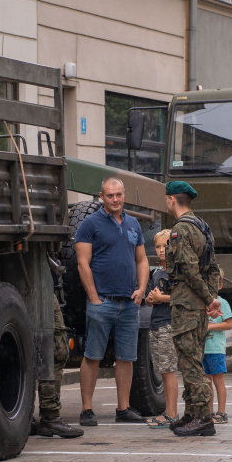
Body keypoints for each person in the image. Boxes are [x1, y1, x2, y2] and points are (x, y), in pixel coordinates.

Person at [74, 177, 149, 426]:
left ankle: (123, 408)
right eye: (109, 195)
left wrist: (141, 290)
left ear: (124, 195)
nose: (115, 199)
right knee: (92, 356)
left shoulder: (133, 224)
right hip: (102, 301)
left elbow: (142, 260)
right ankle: (87, 410)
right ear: (101, 196)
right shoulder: (89, 224)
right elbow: (82, 263)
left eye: (118, 195)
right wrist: (94, 298)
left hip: (129, 303)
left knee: (126, 358)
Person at [164, 180, 223, 437]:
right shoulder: (202, 227)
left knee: (189, 362)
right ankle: (191, 413)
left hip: (186, 305)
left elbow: (188, 269)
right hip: (197, 306)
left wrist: (208, 300)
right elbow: (211, 268)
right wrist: (210, 298)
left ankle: (203, 417)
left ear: (171, 200)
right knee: (192, 358)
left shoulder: (180, 230)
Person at [143, 229, 180, 428]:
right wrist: (150, 299)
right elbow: (149, 300)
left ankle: (172, 413)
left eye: (165, 246)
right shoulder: (156, 273)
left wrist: (160, 298)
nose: (161, 250)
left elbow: (180, 298)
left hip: (169, 325)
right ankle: (168, 411)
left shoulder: (176, 272)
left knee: (169, 370)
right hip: (155, 325)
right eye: (158, 246)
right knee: (162, 370)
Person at [33, 295, 84, 438]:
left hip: (12, 286)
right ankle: (51, 416)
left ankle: (28, 417)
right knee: (55, 350)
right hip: (36, 286)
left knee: (24, 346)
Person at [205, 269, 232, 423]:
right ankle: (209, 413)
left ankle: (221, 413)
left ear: (220, 285)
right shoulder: (203, 303)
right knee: (206, 382)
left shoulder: (222, 303)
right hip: (202, 350)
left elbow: (229, 324)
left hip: (215, 349)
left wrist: (210, 327)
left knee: (218, 381)